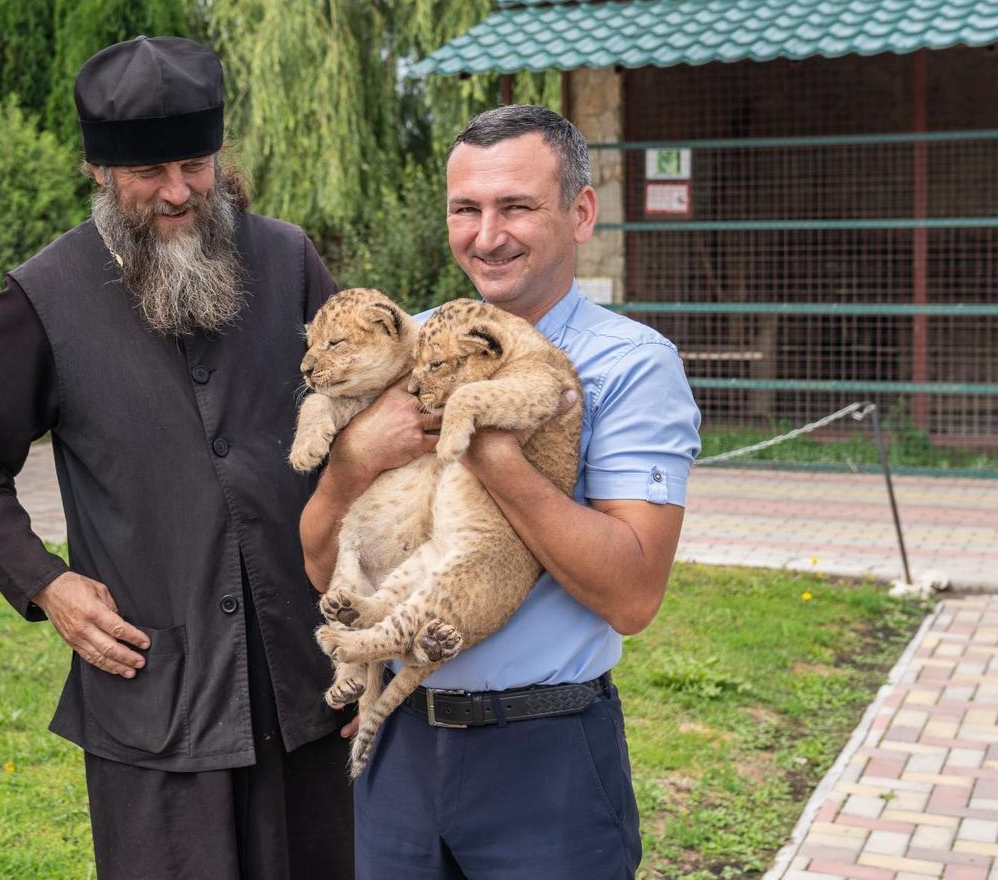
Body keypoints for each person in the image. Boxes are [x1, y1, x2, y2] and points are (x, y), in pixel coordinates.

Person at [0, 35, 353, 880]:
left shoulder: (288, 260)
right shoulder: (41, 298)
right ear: (98, 170)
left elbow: (367, 421)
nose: (178, 191)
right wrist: (46, 584)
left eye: (195, 164)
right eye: (149, 173)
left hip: (310, 683)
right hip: (157, 696)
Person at [300, 104, 701, 879]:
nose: (488, 235)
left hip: (542, 758)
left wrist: (491, 447)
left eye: (516, 205)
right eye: (466, 209)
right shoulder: (404, 345)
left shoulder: (632, 366)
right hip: (400, 745)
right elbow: (323, 570)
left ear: (580, 212)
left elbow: (633, 595)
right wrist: (350, 463)